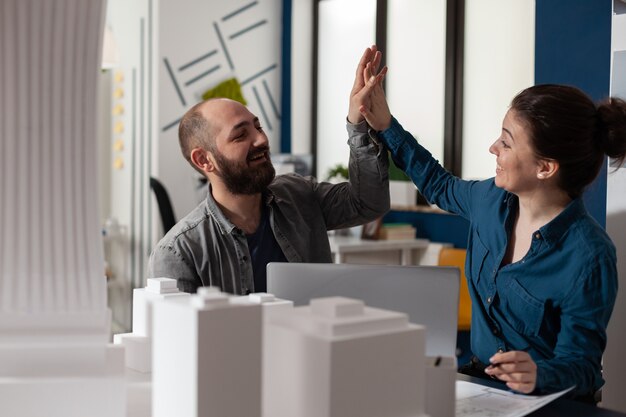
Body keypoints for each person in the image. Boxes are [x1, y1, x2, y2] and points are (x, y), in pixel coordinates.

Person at [353, 46, 626, 401]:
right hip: (479, 387)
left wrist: (539, 373)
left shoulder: (589, 256)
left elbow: (585, 367)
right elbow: (438, 184)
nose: (492, 148)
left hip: (544, 402)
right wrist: (386, 126)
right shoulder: (489, 200)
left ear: (545, 168)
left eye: (507, 143)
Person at [147, 48, 390, 295]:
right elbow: (180, 333)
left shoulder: (300, 195)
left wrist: (358, 123)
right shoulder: (178, 253)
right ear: (204, 160)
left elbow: (368, 204)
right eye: (241, 135)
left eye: (258, 127)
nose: (261, 139)